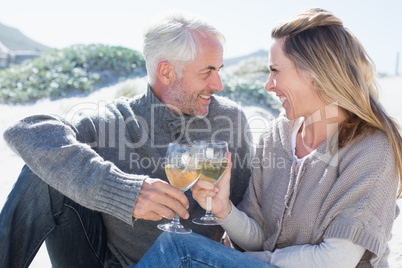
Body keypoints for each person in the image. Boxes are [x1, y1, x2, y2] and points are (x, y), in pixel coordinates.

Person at [135, 8, 402, 268]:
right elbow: (260, 238)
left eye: (275, 70)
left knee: (179, 249)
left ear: (314, 74)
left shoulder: (371, 150)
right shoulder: (276, 136)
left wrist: (243, 260)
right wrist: (224, 210)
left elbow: (335, 260)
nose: (269, 85)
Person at [0, 10, 253, 267]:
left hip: (190, 261)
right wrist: (123, 192)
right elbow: (26, 131)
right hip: (103, 260)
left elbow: (249, 223)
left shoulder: (229, 120)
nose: (219, 84)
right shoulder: (112, 120)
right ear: (166, 72)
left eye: (219, 69)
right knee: (40, 172)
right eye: (207, 71)